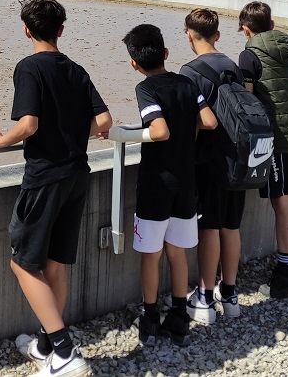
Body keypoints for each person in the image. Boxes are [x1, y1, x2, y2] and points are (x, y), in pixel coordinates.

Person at [0, 0, 112, 377]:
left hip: (45, 177)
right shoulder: (76, 69)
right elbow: (104, 121)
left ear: (26, 31)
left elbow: (29, 124)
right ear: (61, 31)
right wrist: (74, 133)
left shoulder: (29, 67)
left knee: (22, 263)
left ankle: (66, 353)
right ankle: (45, 345)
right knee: (54, 263)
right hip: (76, 175)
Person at [112, 23, 216, 348]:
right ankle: (180, 318)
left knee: (151, 253)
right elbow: (209, 121)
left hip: (156, 183)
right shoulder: (187, 83)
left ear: (134, 63)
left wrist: (121, 134)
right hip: (186, 181)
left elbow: (159, 131)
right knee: (177, 252)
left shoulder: (146, 88)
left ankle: (150, 318)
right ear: (166, 53)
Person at [236, 1, 288, 297]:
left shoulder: (250, 55)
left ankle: (286, 272)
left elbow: (247, 99)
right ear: (271, 24)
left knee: (281, 202)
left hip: (277, 136)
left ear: (246, 29)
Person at [178, 8, 244, 321]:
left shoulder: (190, 72)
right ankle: (229, 295)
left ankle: (203, 299)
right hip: (238, 158)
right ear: (217, 35)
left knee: (209, 227)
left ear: (188, 35)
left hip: (209, 161)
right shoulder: (233, 66)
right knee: (231, 226)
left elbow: (188, 121)